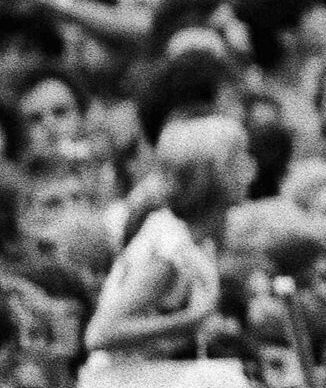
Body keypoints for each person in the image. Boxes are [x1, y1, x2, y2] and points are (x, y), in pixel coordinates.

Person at [81, 117, 255, 388]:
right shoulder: (169, 250)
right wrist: (192, 319)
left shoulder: (198, 240)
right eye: (239, 160)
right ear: (213, 174)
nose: (252, 168)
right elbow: (101, 334)